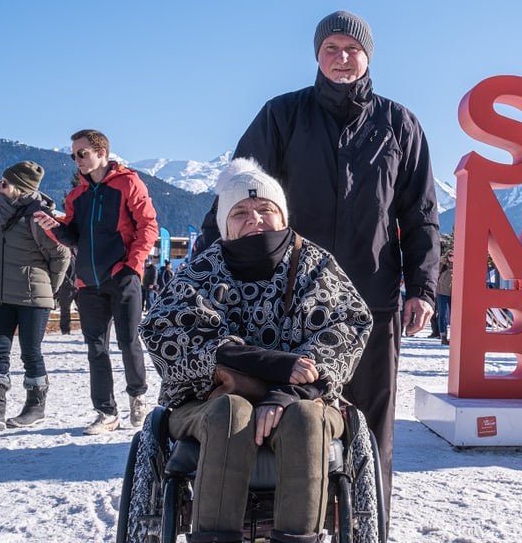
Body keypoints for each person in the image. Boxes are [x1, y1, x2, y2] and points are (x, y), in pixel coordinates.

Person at [196, 10, 439, 522]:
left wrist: (421, 285)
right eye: (330, 47)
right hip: (287, 300)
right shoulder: (282, 115)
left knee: (369, 428)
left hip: (370, 300)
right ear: (316, 56)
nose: (341, 57)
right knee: (286, 412)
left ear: (368, 56)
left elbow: (420, 216)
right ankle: (278, 521)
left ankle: (367, 524)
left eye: (352, 48)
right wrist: (202, 268)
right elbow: (236, 195)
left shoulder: (400, 124)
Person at [140, 158, 372, 543]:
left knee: (305, 418)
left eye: (266, 209)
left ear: (282, 216)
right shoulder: (202, 270)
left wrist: (288, 391)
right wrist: (270, 363)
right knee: (231, 411)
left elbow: (348, 324)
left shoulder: (315, 265)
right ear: (224, 223)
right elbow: (163, 331)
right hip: (207, 403)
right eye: (241, 212)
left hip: (304, 397)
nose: (255, 219)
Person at [33, 129, 158, 434]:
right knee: (95, 348)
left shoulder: (128, 182)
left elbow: (148, 225)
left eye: (82, 153)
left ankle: (137, 397)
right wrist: (54, 227)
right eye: (74, 154)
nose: (77, 159)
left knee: (128, 342)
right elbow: (73, 237)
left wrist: (133, 265)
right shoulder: (77, 195)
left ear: (102, 152)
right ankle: (106, 412)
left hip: (122, 277)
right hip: (88, 282)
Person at [0, 162, 71, 429]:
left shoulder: (39, 217)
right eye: (0, 181)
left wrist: (50, 287)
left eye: (4, 183)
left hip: (34, 296)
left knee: (30, 351)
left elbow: (62, 254)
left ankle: (35, 406)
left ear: (19, 188)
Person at [434, 247, 453, 345]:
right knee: (442, 314)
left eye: (454, 255)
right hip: (441, 292)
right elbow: (435, 276)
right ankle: (443, 336)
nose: (452, 257)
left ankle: (454, 336)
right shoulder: (442, 265)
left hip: (453, 294)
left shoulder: (458, 265)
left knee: (454, 315)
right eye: (450, 255)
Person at [55, 249, 78, 334]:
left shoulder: (78, 251)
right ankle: (65, 330)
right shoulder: (64, 251)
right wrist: (66, 281)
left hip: (78, 285)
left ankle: (86, 330)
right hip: (66, 286)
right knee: (65, 310)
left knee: (84, 310)